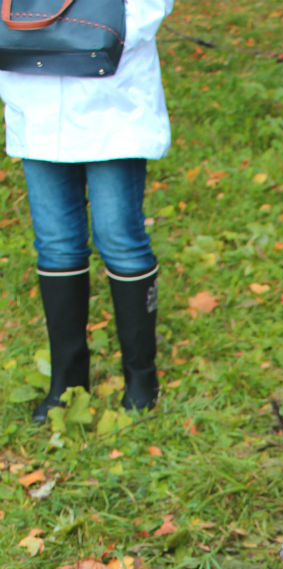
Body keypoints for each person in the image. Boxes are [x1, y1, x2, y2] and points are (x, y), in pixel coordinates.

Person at [0, 0, 174, 422]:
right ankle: (68, 382)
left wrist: (102, 33)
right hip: (34, 89)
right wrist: (33, 36)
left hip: (112, 97)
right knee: (56, 244)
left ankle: (140, 378)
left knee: (120, 238)